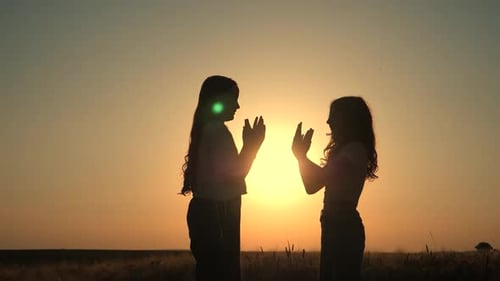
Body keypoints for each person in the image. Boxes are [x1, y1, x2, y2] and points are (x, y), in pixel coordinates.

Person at [180, 75, 265, 281]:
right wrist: (252, 146)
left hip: (210, 213)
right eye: (234, 98)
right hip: (218, 215)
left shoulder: (208, 130)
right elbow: (234, 175)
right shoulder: (216, 131)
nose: (237, 105)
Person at [292, 96, 378, 281]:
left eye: (333, 116)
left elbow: (317, 180)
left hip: (343, 227)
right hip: (333, 224)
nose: (328, 121)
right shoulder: (349, 151)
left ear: (348, 120)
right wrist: (301, 157)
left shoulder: (354, 150)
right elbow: (312, 186)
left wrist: (301, 156)